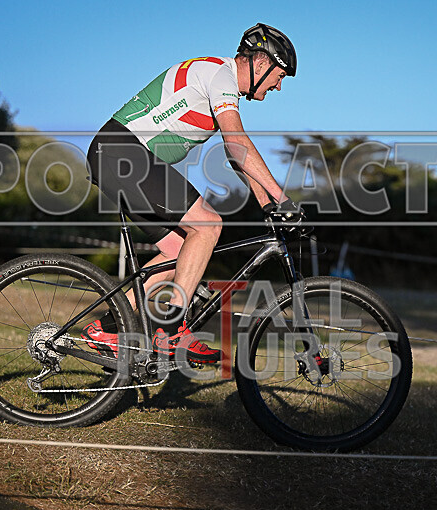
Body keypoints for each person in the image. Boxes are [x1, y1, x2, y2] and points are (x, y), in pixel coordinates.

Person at [81, 23, 300, 363]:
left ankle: (108, 326)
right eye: (280, 75)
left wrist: (267, 204)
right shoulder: (221, 76)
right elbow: (237, 143)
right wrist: (282, 198)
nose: (279, 86)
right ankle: (171, 331)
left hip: (119, 154)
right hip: (124, 152)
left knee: (180, 247)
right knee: (209, 225)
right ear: (260, 63)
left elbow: (235, 156)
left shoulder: (220, 81)